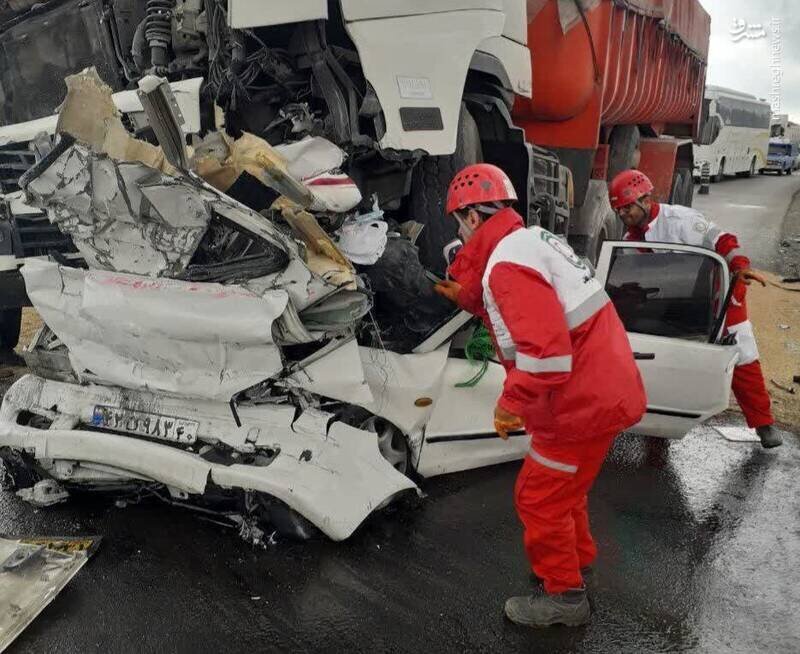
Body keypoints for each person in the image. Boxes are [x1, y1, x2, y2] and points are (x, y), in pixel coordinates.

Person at [434, 163, 647, 628]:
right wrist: (470, 296)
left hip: (578, 403)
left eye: (459, 224)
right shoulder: (529, 241)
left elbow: (547, 355)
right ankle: (577, 563)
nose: (462, 234)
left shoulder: (507, 266)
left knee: (540, 497)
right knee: (567, 491)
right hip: (604, 392)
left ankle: (565, 598)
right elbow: (523, 299)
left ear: (471, 217)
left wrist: (510, 403)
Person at [608, 169, 782, 449]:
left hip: (720, 291)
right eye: (619, 210)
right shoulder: (630, 241)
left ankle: (764, 424)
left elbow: (723, 240)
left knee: (742, 353)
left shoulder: (680, 220)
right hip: (676, 301)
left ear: (645, 199)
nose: (624, 215)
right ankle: (662, 424)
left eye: (627, 207)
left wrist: (741, 267)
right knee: (664, 354)